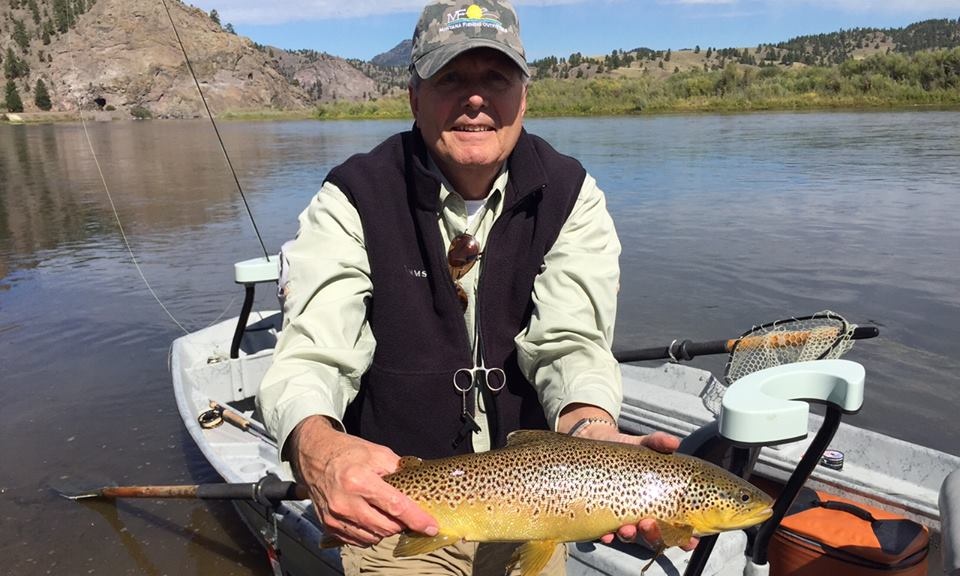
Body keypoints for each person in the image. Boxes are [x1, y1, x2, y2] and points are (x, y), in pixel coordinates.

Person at [258, 0, 693, 573]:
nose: (475, 98)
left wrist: (591, 430)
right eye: (452, 78)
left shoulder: (569, 194)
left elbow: (570, 344)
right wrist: (316, 446)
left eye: (496, 77)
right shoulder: (355, 196)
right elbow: (314, 351)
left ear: (524, 94)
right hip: (398, 505)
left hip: (540, 504)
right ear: (414, 97)